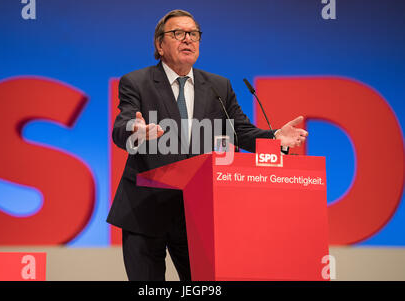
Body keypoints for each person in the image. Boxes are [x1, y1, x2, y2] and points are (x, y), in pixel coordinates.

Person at [107, 9, 308, 281]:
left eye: (193, 34)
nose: (187, 39)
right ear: (159, 45)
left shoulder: (217, 86)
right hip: (145, 211)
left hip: (196, 216)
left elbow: (240, 130)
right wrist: (136, 130)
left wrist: (273, 137)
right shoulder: (137, 82)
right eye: (177, 33)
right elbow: (121, 127)